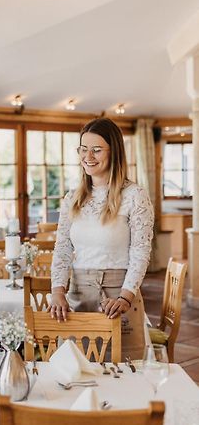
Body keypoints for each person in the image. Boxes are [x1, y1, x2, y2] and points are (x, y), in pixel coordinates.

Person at [50, 117, 154, 359]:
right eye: (83, 149)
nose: (88, 156)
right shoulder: (72, 198)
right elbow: (63, 248)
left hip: (120, 298)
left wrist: (126, 296)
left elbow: (140, 250)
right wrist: (57, 291)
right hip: (78, 298)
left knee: (126, 372)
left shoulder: (134, 195)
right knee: (76, 371)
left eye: (97, 150)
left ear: (114, 152)